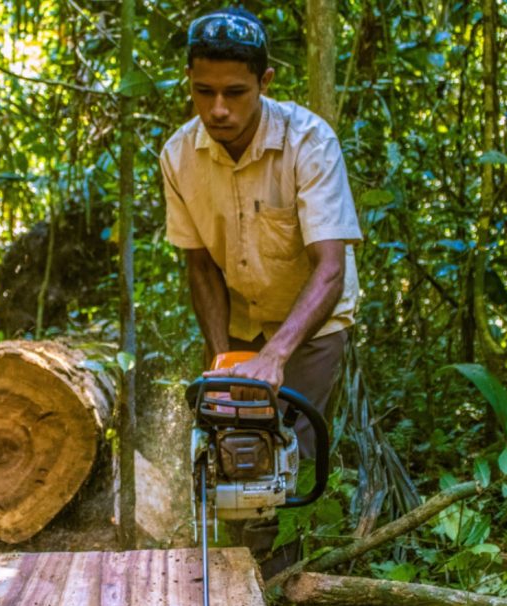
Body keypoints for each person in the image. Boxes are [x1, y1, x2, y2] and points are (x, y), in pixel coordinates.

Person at [160, 7, 363, 574]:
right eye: (204, 92)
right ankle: (233, 572)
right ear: (190, 83)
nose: (218, 109)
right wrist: (221, 352)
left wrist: (276, 357)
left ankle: (278, 582)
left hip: (313, 319)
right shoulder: (179, 155)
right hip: (242, 311)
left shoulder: (309, 143)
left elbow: (330, 268)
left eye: (234, 92)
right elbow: (199, 265)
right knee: (231, 440)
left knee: (285, 448)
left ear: (265, 82)